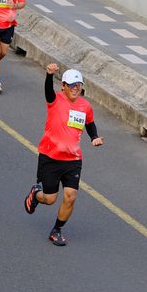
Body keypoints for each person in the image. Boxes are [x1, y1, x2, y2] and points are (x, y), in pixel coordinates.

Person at [24, 64, 104, 246]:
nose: (76, 88)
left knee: (70, 196)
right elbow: (47, 91)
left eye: (79, 85)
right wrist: (49, 75)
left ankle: (57, 230)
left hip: (73, 160)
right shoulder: (55, 99)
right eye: (72, 85)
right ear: (63, 86)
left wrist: (94, 137)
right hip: (50, 157)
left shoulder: (85, 106)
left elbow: (89, 123)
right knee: (50, 199)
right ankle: (36, 194)